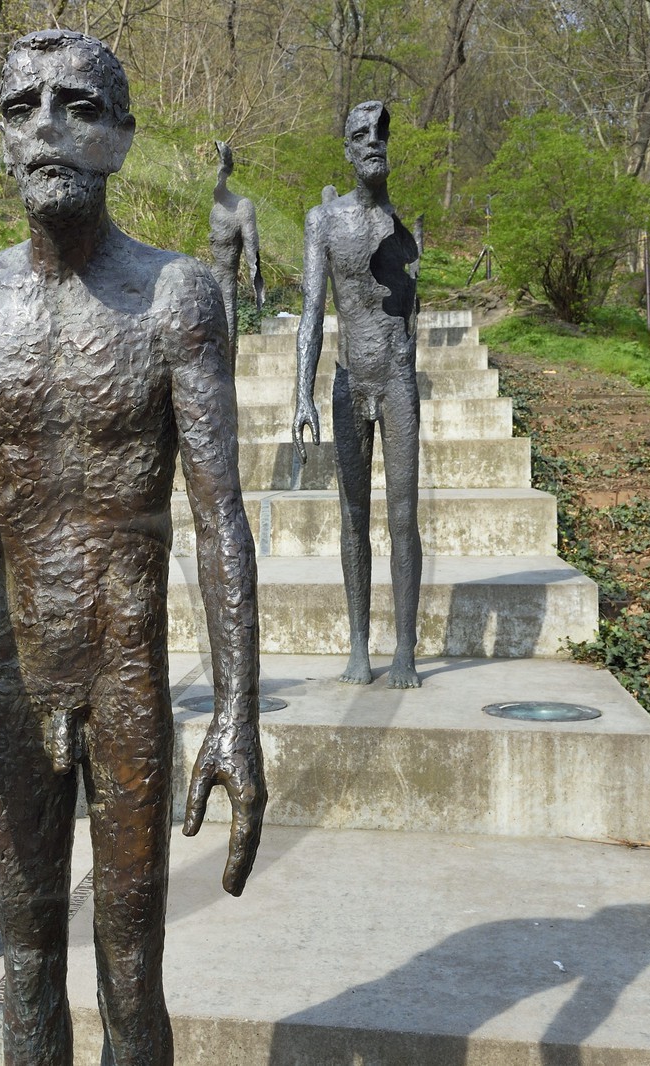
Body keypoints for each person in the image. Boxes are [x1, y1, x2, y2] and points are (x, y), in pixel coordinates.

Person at [0, 31, 267, 1065]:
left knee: (131, 972)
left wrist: (239, 717)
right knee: (28, 967)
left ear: (121, 136)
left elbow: (221, 515)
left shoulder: (175, 298)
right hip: (12, 674)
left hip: (128, 676)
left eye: (78, 106)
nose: (48, 127)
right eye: (23, 106)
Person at [293, 100, 424, 689]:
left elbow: (413, 321)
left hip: (395, 381)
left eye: (380, 134)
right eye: (360, 135)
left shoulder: (404, 226)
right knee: (352, 518)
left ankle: (405, 651)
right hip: (350, 380)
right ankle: (357, 646)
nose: (373, 142)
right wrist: (303, 392)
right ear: (346, 149)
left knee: (401, 517)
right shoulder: (324, 222)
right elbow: (312, 313)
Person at [209, 140, 264, 361]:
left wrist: (257, 285)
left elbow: (252, 247)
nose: (216, 173)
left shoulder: (242, 206)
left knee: (228, 331)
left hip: (227, 280)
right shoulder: (214, 205)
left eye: (221, 166)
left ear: (227, 170)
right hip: (209, 277)